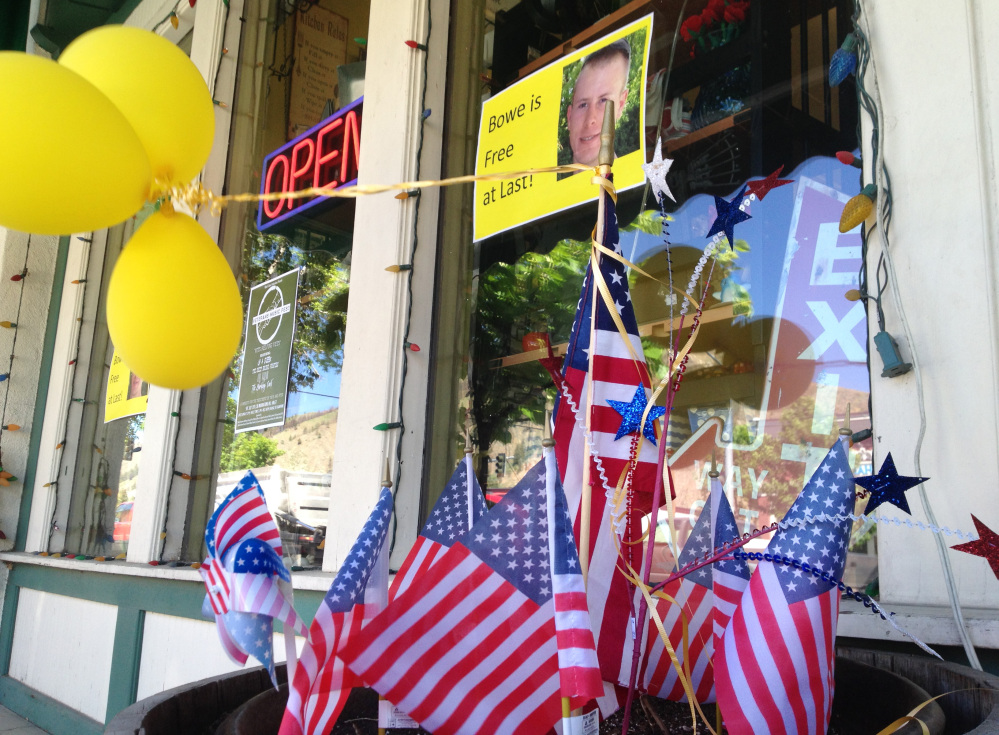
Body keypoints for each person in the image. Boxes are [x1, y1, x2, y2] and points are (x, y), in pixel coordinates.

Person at [566, 39, 631, 167]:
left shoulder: (639, 184)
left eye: (603, 101)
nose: (590, 119)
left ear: (621, 104)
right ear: (569, 116)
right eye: (583, 104)